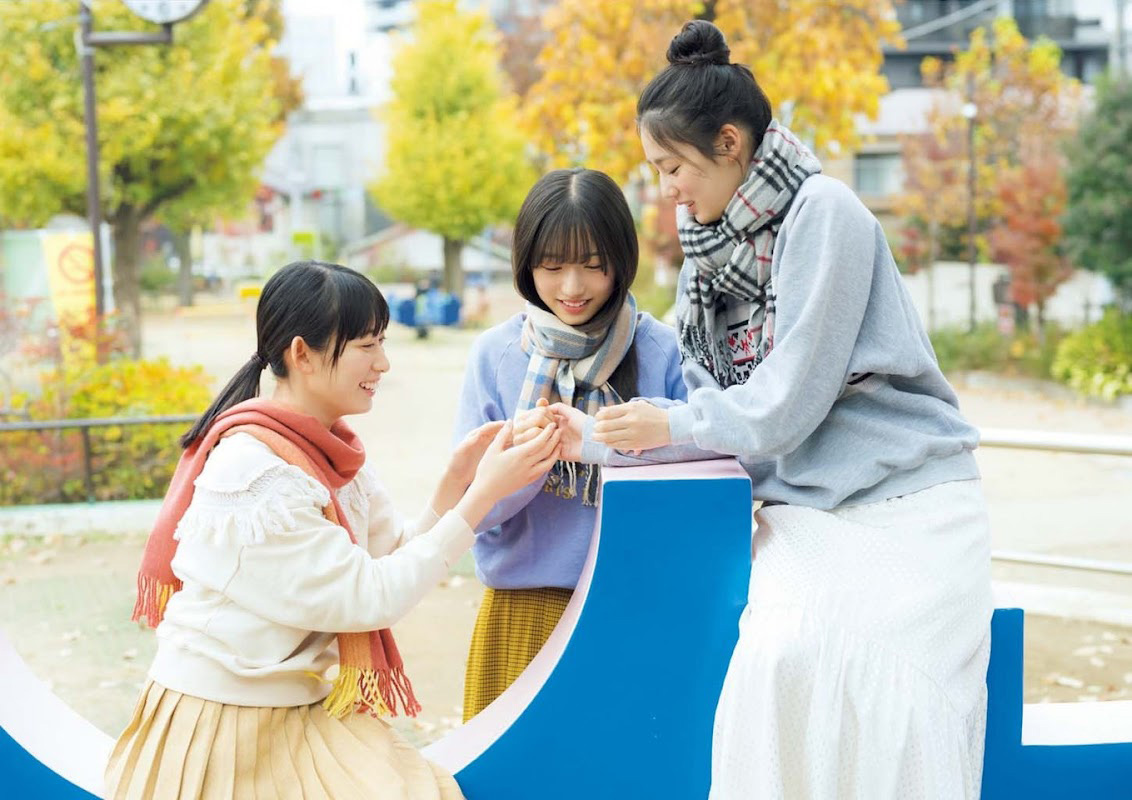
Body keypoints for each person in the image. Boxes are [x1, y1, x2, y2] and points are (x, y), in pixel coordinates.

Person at [594, 20, 992, 800]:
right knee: (776, 657)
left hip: (909, 505)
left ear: (732, 143)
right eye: (655, 169)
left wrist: (668, 423)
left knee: (878, 689)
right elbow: (713, 411)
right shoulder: (705, 263)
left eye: (672, 166)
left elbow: (787, 404)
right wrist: (596, 435)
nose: (664, 188)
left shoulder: (825, 214)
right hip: (804, 512)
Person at [105, 260, 561, 800]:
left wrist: (456, 481)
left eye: (382, 343)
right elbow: (369, 597)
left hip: (289, 708)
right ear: (303, 354)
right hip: (223, 727)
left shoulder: (326, 452)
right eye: (367, 346)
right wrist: (483, 494)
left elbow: (390, 556)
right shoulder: (255, 473)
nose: (384, 363)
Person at [455, 168, 715, 721]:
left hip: (641, 607)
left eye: (593, 266)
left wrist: (606, 439)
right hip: (524, 610)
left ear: (621, 261)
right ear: (527, 264)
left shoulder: (662, 349)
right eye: (552, 267)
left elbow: (710, 458)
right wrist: (527, 463)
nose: (572, 288)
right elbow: (472, 511)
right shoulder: (494, 355)